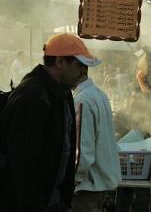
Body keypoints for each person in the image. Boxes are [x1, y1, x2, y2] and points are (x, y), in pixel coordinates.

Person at [0, 34, 99, 212]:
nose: (83, 72)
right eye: (79, 65)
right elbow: (22, 165)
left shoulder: (64, 93)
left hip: (54, 201)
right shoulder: (32, 97)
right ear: (60, 62)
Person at [71, 59, 121, 212]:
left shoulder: (82, 99)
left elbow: (82, 153)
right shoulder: (98, 94)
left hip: (85, 188)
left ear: (81, 69)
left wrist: (73, 180)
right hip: (97, 186)